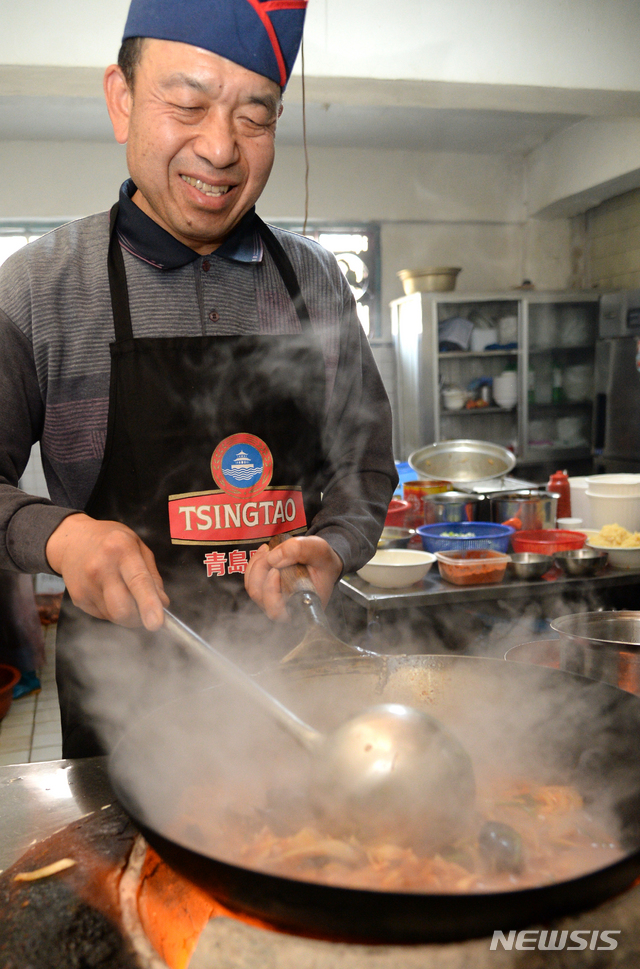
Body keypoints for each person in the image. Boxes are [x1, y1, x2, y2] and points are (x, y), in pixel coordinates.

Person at [0, 0, 398, 757]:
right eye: (187, 104)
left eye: (256, 116)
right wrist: (62, 537)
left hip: (304, 684)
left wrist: (336, 544)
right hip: (126, 703)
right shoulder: (37, 291)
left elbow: (366, 464)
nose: (220, 148)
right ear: (121, 100)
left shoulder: (311, 280)